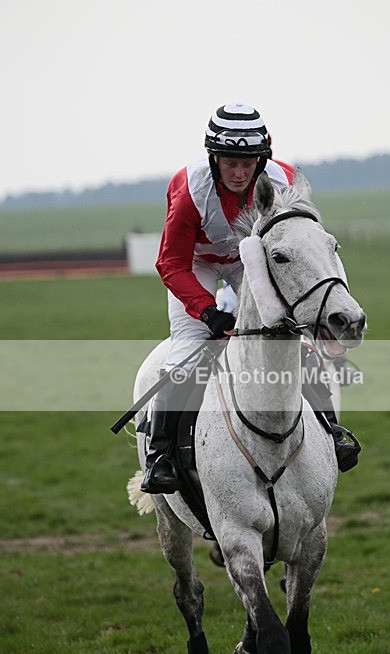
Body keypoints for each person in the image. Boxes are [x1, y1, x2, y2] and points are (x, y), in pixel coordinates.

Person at [141, 103, 360, 494]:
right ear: (213, 158)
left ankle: (331, 429)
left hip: (252, 260)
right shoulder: (189, 190)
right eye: (229, 163)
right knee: (186, 352)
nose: (240, 173)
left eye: (248, 163)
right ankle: (161, 455)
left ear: (262, 159)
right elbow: (171, 264)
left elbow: (305, 244)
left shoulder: (283, 180)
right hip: (198, 265)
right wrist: (208, 313)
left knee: (295, 340)